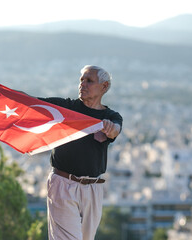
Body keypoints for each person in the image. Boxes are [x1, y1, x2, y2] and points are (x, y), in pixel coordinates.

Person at [38, 65, 122, 240]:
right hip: (63, 184)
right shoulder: (66, 108)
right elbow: (31, 103)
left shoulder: (111, 116)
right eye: (81, 80)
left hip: (93, 189)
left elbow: (115, 129)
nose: (82, 84)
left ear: (104, 87)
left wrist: (109, 128)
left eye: (89, 81)